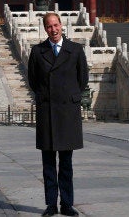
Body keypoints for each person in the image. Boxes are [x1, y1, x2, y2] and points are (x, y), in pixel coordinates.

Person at [28, 12, 88, 216]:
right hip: (47, 112)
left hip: (67, 112)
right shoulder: (38, 51)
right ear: (45, 29)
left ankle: (67, 204)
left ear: (61, 25)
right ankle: (51, 204)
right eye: (49, 27)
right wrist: (47, 97)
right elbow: (33, 81)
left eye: (55, 25)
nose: (53, 30)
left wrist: (67, 95)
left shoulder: (76, 50)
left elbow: (82, 80)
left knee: (66, 163)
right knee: (48, 163)